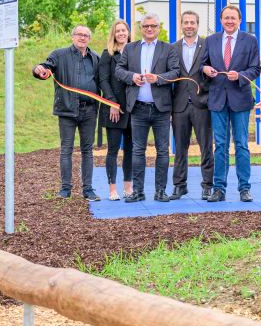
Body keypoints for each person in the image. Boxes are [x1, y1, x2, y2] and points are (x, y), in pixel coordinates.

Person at [32, 25, 102, 201]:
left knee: (88, 150)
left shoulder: (96, 58)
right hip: (67, 110)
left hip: (89, 110)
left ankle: (88, 190)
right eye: (79, 34)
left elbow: (102, 81)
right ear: (72, 37)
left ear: (89, 39)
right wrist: (39, 70)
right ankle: (65, 189)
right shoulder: (59, 54)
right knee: (66, 150)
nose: (82, 37)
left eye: (86, 35)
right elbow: (45, 67)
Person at [115, 13, 179, 203]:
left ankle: (160, 191)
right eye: (145, 26)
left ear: (158, 28)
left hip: (161, 108)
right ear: (140, 29)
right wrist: (132, 77)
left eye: (153, 26)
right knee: (137, 151)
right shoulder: (130, 48)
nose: (149, 29)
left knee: (162, 151)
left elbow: (176, 71)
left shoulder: (168, 49)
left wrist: (158, 79)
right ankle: (138, 191)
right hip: (138, 108)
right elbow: (119, 70)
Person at [203, 5, 261, 203]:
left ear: (240, 20)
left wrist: (241, 75)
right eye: (226, 18)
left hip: (240, 99)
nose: (229, 21)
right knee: (220, 146)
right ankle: (219, 189)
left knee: (242, 145)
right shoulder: (210, 40)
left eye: (233, 18)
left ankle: (244, 188)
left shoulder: (250, 41)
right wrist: (206, 69)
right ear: (221, 20)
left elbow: (255, 68)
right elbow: (203, 63)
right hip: (217, 99)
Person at [169, 11, 214, 201]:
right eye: (185, 22)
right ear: (181, 25)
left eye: (192, 22)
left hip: (202, 103)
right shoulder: (173, 48)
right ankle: (180, 186)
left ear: (198, 24)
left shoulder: (207, 46)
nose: (189, 25)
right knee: (180, 148)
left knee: (206, 147)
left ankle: (207, 186)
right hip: (179, 105)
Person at [98, 19, 133, 201]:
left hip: (133, 109)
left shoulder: (135, 52)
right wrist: (112, 102)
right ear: (114, 34)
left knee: (130, 149)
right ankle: (113, 189)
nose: (121, 33)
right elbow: (103, 80)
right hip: (114, 109)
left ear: (128, 32)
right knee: (113, 150)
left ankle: (128, 187)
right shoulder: (108, 55)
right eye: (118, 31)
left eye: (123, 30)